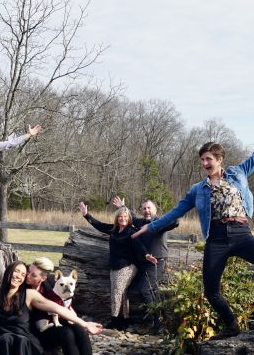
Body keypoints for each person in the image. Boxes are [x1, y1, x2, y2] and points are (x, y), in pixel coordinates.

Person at [132, 142, 254, 340]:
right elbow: (176, 211)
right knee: (211, 291)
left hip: (241, 233)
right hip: (216, 238)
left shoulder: (237, 172)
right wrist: (151, 226)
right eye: (202, 160)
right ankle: (232, 325)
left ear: (220, 159)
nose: (205, 163)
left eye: (209, 159)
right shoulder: (198, 189)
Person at [26, 257, 103, 355]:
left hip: (57, 319)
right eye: (28, 272)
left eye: (32, 274)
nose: (27, 275)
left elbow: (65, 304)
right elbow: (54, 307)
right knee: (67, 333)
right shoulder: (24, 289)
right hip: (36, 329)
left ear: (44, 277)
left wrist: (82, 323)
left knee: (80, 331)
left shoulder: (52, 283)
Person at [78, 202, 157, 330]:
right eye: (120, 216)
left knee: (117, 292)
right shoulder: (114, 230)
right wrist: (86, 215)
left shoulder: (131, 231)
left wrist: (147, 255)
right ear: (117, 218)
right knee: (122, 293)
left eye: (125, 217)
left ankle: (115, 320)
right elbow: (99, 225)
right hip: (114, 267)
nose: (123, 218)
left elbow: (139, 246)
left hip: (128, 266)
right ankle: (124, 320)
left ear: (129, 218)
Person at [113, 196, 178, 332]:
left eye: (149, 208)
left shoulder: (160, 222)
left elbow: (174, 222)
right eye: (144, 208)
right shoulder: (140, 222)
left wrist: (176, 215)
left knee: (145, 289)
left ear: (154, 210)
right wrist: (122, 207)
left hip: (157, 261)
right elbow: (129, 217)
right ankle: (158, 323)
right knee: (151, 291)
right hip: (144, 263)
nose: (147, 211)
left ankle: (153, 323)